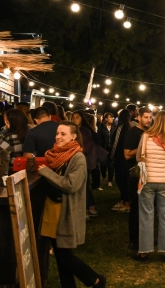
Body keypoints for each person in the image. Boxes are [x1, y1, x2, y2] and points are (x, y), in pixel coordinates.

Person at [37, 121, 106, 288]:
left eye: (63, 134)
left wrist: (46, 172)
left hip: (65, 214)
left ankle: (96, 280)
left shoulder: (77, 157)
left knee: (65, 256)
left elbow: (71, 185)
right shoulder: (55, 155)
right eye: (57, 133)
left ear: (74, 136)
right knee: (61, 257)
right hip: (52, 211)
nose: (58, 137)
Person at [134, 112, 165, 262]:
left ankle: (144, 251)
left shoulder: (146, 136)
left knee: (146, 215)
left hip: (148, 179)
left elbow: (139, 156)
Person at [123, 107, 153, 250]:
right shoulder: (132, 133)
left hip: (149, 173)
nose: (149, 120)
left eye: (150, 117)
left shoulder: (151, 132)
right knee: (135, 207)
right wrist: (144, 146)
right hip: (135, 174)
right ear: (139, 117)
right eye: (146, 117)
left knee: (148, 207)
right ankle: (134, 239)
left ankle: (146, 238)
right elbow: (127, 154)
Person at [70, 111, 98, 217]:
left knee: (83, 185)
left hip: (84, 160)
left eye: (77, 117)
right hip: (76, 160)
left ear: (82, 119)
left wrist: (77, 151)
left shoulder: (84, 131)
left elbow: (87, 146)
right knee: (82, 184)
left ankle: (87, 208)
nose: (74, 119)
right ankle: (90, 206)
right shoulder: (72, 129)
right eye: (73, 117)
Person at [98, 112, 115, 187]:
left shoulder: (114, 127)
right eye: (110, 117)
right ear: (106, 119)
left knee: (111, 165)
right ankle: (104, 176)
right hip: (103, 148)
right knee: (103, 164)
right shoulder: (101, 127)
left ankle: (110, 181)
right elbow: (99, 137)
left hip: (112, 149)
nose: (112, 119)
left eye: (112, 117)